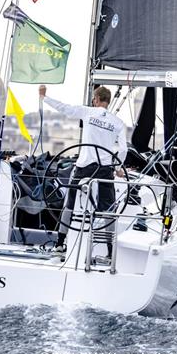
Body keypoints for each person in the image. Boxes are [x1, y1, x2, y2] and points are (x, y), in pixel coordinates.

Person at [39, 84, 127, 253]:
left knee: (70, 204)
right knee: (109, 209)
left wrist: (45, 97)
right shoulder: (118, 123)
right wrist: (117, 168)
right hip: (105, 170)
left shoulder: (88, 112)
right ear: (108, 101)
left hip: (84, 168)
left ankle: (59, 243)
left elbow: (65, 108)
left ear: (97, 99)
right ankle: (110, 250)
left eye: (94, 99)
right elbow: (123, 150)